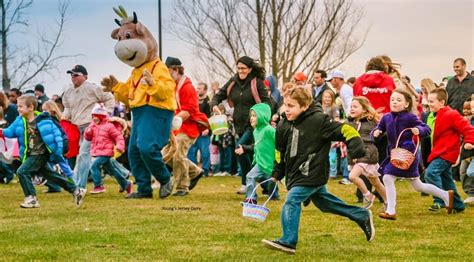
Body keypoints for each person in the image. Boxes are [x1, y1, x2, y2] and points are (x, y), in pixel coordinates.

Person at [261, 87, 374, 255]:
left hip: (313, 172)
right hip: (295, 173)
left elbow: (346, 130)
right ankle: (361, 214)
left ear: (305, 106)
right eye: (285, 105)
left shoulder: (319, 121)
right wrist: (278, 172)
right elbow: (279, 150)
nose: (287, 109)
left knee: (292, 200)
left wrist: (357, 150)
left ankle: (288, 241)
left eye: (291, 106)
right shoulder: (284, 123)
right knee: (325, 204)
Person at [373, 89, 454, 220]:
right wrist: (376, 132)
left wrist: (418, 130)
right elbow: (378, 129)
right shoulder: (386, 117)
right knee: (418, 185)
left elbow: (426, 129)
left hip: (408, 154)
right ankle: (445, 195)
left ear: (406, 104)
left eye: (399, 100)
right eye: (392, 99)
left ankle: (391, 210)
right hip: (394, 154)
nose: (394, 102)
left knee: (388, 177)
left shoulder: (410, 117)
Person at [0, 95, 86, 208]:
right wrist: (1, 131)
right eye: (17, 106)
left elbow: (57, 134)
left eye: (20, 106)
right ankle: (76, 190)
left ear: (30, 107)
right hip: (30, 154)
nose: (18, 109)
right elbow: (10, 132)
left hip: (40, 154)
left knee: (22, 171)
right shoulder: (19, 120)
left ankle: (31, 198)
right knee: (51, 175)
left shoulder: (44, 119)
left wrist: (59, 149)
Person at [210, 56, 271, 194]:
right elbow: (218, 95)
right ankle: (265, 185)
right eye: (238, 68)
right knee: (249, 155)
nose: (240, 71)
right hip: (238, 124)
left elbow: (267, 102)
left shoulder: (257, 83)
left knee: (240, 149)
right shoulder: (233, 82)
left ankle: (247, 182)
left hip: (254, 124)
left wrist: (261, 117)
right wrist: (214, 105)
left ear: (250, 69)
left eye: (243, 68)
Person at [62, 65, 115, 192]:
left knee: (83, 155)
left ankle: (80, 186)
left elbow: (109, 97)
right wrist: (65, 117)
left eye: (76, 75)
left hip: (90, 126)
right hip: (76, 127)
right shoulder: (68, 91)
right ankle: (124, 178)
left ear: (85, 76)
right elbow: (67, 107)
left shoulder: (92, 88)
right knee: (100, 156)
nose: (73, 77)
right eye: (71, 75)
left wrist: (105, 114)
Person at [163, 57, 208, 196]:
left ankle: (182, 187)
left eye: (168, 70)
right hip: (178, 128)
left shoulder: (187, 87)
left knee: (177, 156)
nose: (166, 74)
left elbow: (189, 110)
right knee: (165, 155)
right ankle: (195, 172)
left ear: (176, 70)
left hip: (188, 128)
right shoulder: (175, 85)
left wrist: (175, 120)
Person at [422, 88, 470, 213]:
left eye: (432, 102)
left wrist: (470, 142)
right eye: (428, 101)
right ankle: (458, 205)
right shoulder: (432, 116)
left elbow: (468, 129)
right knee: (447, 181)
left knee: (430, 174)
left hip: (446, 153)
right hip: (439, 152)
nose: (429, 104)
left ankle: (440, 200)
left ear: (442, 102)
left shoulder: (451, 114)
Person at [347, 97, 386, 209]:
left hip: (368, 153)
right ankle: (388, 201)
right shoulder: (350, 122)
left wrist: (378, 133)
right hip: (356, 154)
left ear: (364, 109)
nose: (352, 109)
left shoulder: (371, 121)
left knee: (352, 176)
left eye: (355, 107)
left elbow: (382, 131)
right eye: (351, 107)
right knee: (375, 182)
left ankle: (368, 195)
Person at [84, 104, 133, 195]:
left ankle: (98, 186)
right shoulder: (93, 126)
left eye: (97, 116)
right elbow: (88, 138)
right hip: (98, 152)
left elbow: (118, 137)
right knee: (113, 171)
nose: (94, 119)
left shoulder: (109, 126)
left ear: (102, 117)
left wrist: (120, 146)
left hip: (106, 152)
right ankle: (126, 184)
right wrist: (88, 132)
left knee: (94, 166)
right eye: (93, 116)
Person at [241, 103, 278, 203]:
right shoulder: (255, 131)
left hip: (271, 163)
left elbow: (279, 143)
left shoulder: (269, 130)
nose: (251, 118)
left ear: (262, 116)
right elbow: (257, 145)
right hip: (260, 163)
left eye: (254, 116)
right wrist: (255, 157)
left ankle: (275, 195)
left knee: (274, 180)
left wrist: (278, 159)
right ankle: (251, 198)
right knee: (250, 176)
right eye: (251, 116)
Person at [187, 82, 212, 177]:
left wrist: (208, 129)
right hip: (193, 131)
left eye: (200, 88)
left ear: (205, 90)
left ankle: (205, 171)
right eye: (197, 88)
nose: (197, 90)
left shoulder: (208, 102)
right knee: (191, 152)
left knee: (205, 153)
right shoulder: (194, 100)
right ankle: (195, 171)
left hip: (204, 131)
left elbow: (210, 116)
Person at [320, 89, 340, 179]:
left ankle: (332, 173)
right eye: (325, 97)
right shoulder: (319, 107)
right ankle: (323, 171)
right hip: (321, 133)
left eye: (329, 97)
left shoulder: (334, 107)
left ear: (332, 98)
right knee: (322, 153)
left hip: (330, 133)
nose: (327, 99)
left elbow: (337, 119)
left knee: (332, 153)